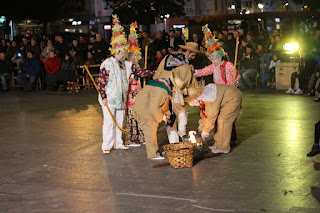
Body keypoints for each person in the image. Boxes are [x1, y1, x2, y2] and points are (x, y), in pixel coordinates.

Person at [97, 15, 153, 154]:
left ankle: (118, 143)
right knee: (109, 122)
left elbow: (140, 71)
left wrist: (155, 73)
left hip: (121, 98)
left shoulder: (127, 64)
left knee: (119, 121)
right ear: (117, 51)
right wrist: (103, 96)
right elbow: (101, 82)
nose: (125, 53)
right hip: (109, 98)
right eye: (123, 51)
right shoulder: (107, 64)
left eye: (125, 51)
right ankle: (107, 145)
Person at [152, 41, 200, 141]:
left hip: (162, 89)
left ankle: (174, 143)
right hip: (175, 92)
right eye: (193, 55)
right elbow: (187, 83)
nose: (193, 58)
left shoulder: (167, 57)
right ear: (187, 52)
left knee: (170, 117)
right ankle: (182, 134)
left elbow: (158, 73)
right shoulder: (185, 66)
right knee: (182, 113)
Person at [133, 74, 187, 159]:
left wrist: (167, 114)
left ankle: (155, 151)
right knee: (150, 129)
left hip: (144, 105)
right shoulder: (163, 92)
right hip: (145, 108)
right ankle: (152, 154)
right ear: (173, 87)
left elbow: (163, 105)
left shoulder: (160, 84)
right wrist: (162, 117)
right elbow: (154, 108)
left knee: (152, 129)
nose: (174, 91)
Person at [186, 83, 242, 154]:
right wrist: (201, 125)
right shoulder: (202, 97)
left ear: (195, 99)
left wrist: (205, 131)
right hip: (228, 97)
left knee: (223, 121)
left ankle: (223, 147)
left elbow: (211, 116)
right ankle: (218, 144)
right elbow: (204, 113)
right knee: (218, 121)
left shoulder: (208, 98)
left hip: (233, 98)